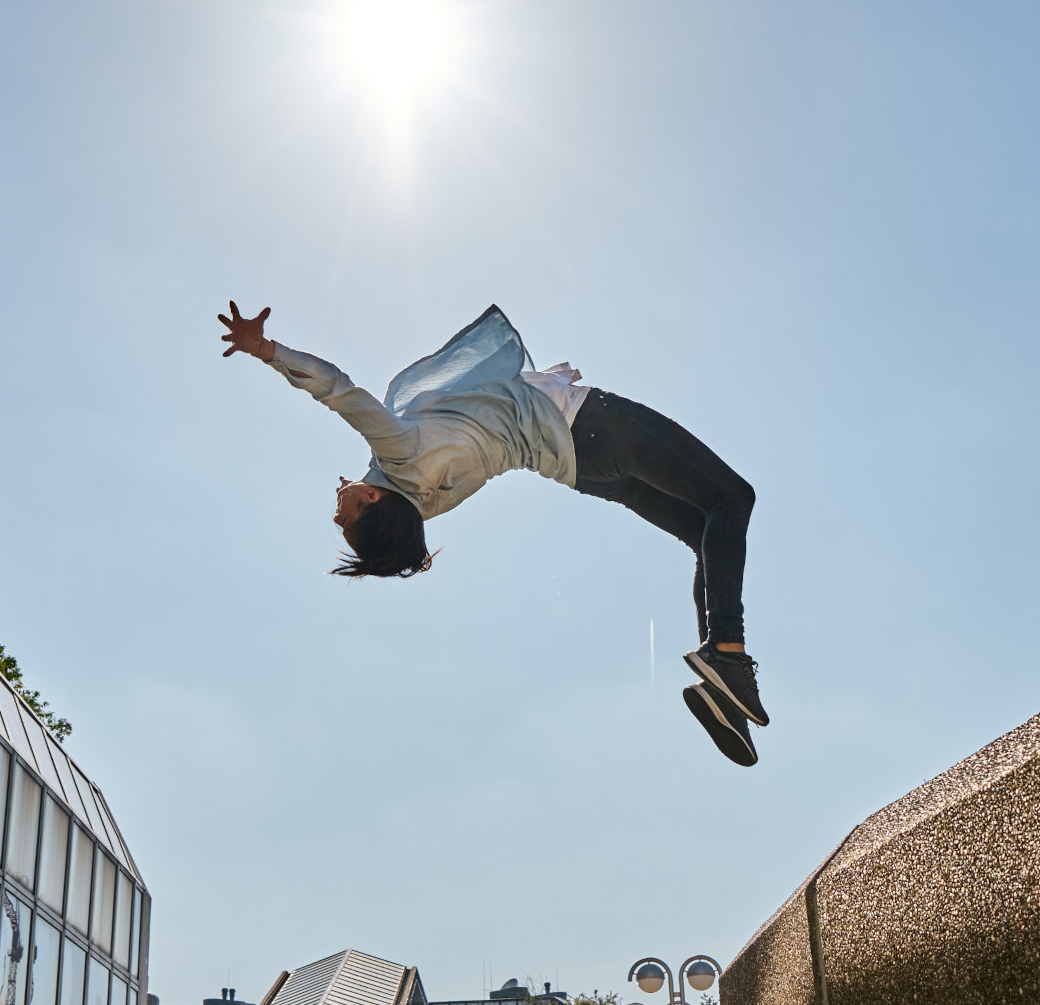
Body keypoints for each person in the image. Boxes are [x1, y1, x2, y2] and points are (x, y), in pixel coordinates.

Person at [218, 301, 767, 765]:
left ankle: (725, 690)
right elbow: (340, 392)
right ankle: (727, 655)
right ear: (373, 499)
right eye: (347, 522)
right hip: (591, 428)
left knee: (707, 533)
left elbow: (397, 536)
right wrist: (268, 351)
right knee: (731, 498)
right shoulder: (401, 454)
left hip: (581, 472)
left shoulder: (423, 506)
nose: (336, 517)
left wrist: (380, 552)